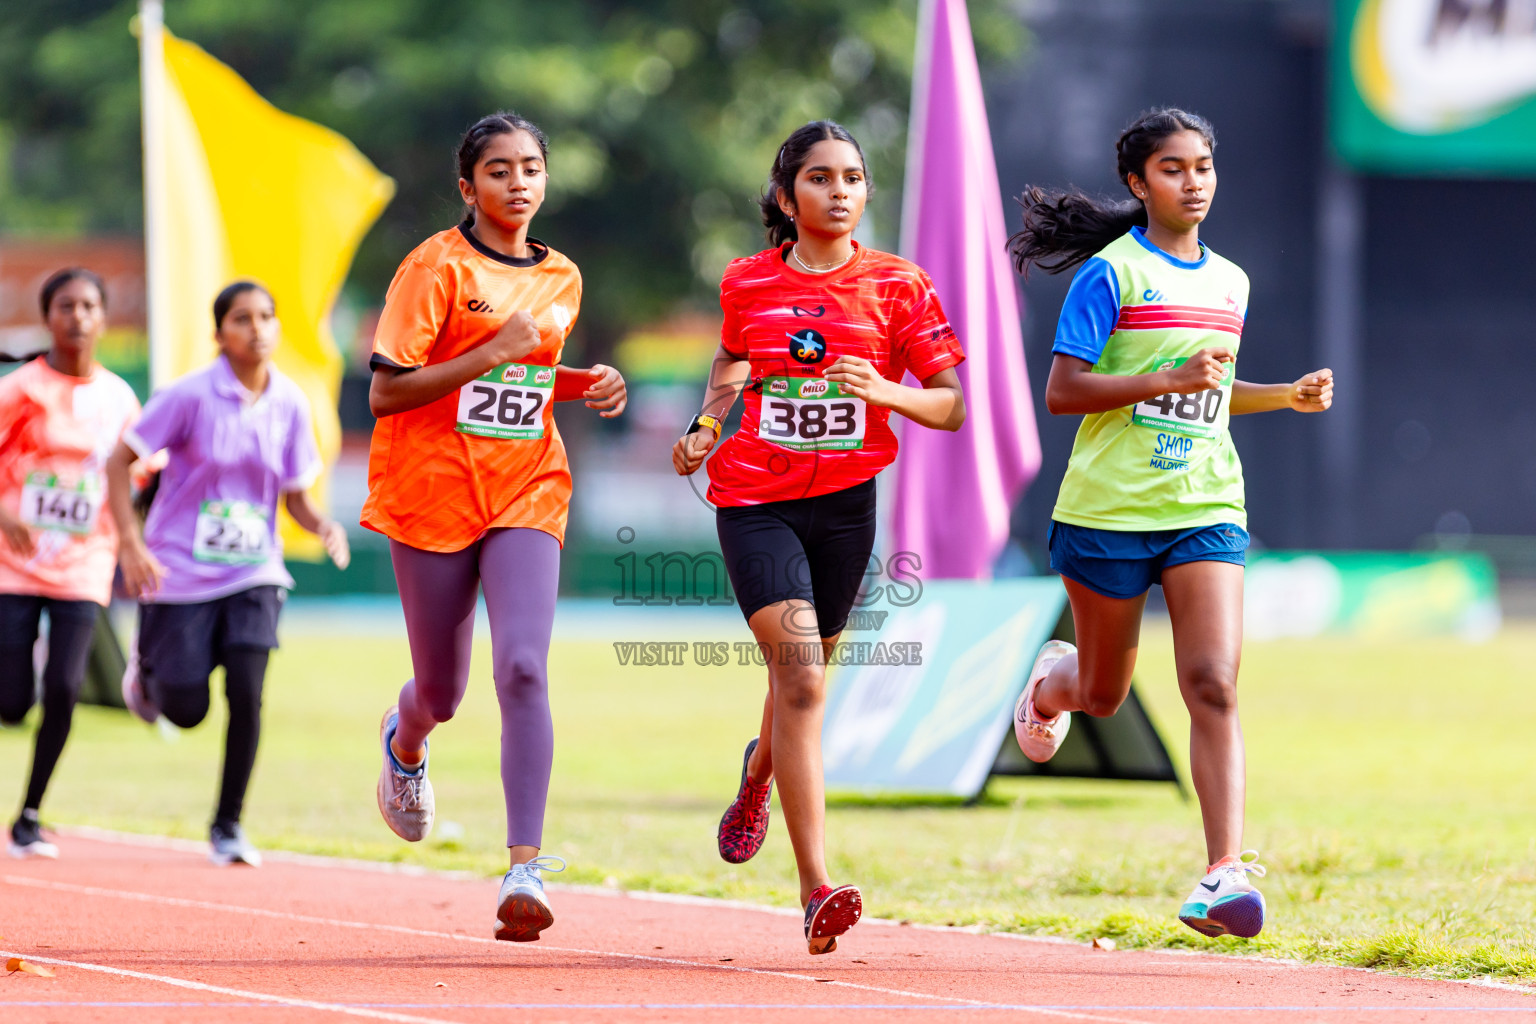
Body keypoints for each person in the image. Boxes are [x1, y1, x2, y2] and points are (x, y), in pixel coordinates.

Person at [1007, 108, 1334, 939]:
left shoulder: (1232, 281)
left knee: (1214, 683)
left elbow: (1212, 390)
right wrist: (1163, 378)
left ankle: (1221, 874)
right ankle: (1054, 685)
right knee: (1105, 696)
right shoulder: (1111, 276)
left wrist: (1284, 395)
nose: (1194, 183)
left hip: (1206, 504)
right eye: (1173, 169)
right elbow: (1064, 392)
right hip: (1107, 513)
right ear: (1137, 182)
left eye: (1204, 167)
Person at [672, 120, 967, 955]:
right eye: (819, 178)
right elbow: (733, 363)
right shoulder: (747, 282)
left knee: (798, 685)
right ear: (785, 195)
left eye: (853, 178)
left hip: (845, 505)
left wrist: (885, 389)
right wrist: (706, 422)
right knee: (800, 677)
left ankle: (757, 775)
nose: (839, 191)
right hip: (755, 501)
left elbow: (950, 405)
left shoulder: (900, 286)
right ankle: (815, 888)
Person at [363, 111, 626, 942]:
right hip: (433, 496)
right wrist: (487, 352)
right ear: (468, 185)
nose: (520, 183)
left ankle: (525, 867)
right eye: (501, 170)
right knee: (443, 690)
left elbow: (530, 375)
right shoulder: (433, 267)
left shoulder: (564, 278)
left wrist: (587, 384)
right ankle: (405, 741)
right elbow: (388, 391)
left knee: (522, 667)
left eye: (532, 169)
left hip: (527, 490)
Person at [103, 280, 348, 867]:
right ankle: (148, 674)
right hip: (179, 569)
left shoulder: (291, 402)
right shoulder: (187, 396)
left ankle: (228, 825)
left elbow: (295, 496)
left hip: (254, 570)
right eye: (242, 318)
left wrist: (323, 526)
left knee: (248, 690)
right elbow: (119, 461)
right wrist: (131, 545)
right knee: (187, 709)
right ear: (219, 333)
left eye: (267, 316)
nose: (257, 328)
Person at [0, 268, 140, 859]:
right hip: (16, 559)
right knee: (11, 700)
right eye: (65, 305)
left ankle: (30, 814)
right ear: (49, 316)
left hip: (86, 562)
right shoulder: (21, 388)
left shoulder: (120, 398)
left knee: (63, 687)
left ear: (103, 317)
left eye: (88, 305)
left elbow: (140, 477)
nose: (77, 316)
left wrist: (134, 540)